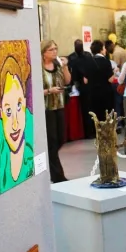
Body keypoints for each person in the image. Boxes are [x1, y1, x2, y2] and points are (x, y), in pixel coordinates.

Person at [0, 40, 35, 199]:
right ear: (0, 112)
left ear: (26, 103)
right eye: (8, 111)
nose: (15, 124)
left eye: (19, 106)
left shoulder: (30, 126)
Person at [41, 40, 71, 183]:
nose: (54, 52)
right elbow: (33, 91)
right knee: (52, 142)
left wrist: (65, 67)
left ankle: (52, 168)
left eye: (55, 49)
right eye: (51, 49)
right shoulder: (38, 68)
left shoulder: (58, 65)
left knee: (61, 139)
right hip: (47, 109)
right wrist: (48, 91)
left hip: (59, 106)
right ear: (43, 52)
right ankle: (58, 176)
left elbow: (67, 81)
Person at [79, 39, 114, 126]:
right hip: (105, 93)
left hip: (92, 93)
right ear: (101, 49)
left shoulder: (88, 61)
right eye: (104, 48)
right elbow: (111, 79)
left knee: (95, 116)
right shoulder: (106, 61)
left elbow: (85, 80)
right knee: (106, 117)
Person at [68, 39, 94, 138]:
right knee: (89, 109)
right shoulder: (88, 56)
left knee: (85, 110)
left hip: (82, 87)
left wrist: (76, 85)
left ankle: (87, 132)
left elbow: (73, 74)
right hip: (88, 86)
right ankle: (90, 131)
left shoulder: (72, 58)